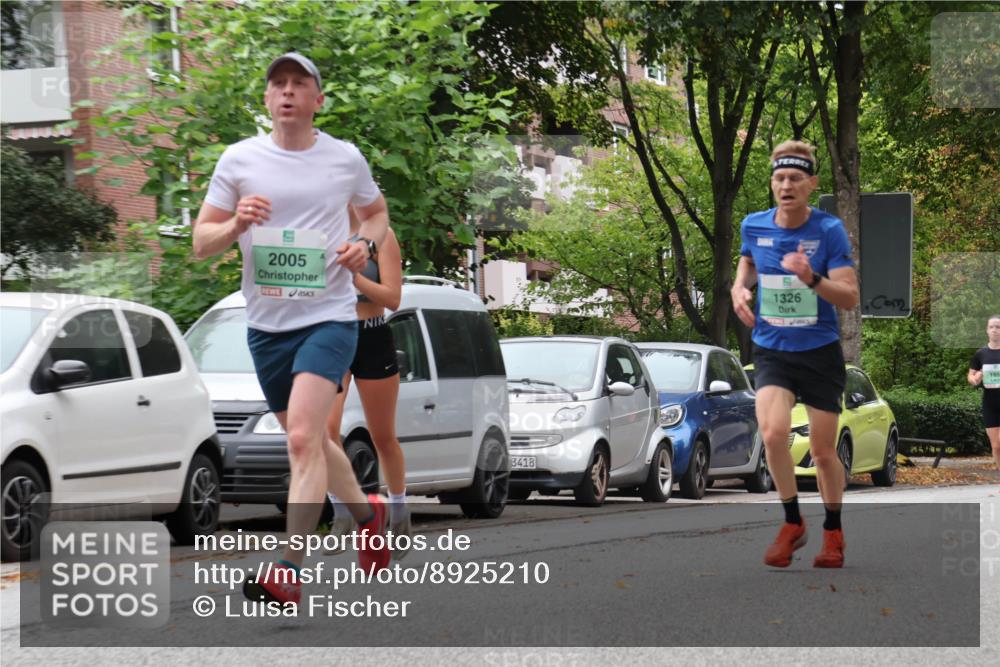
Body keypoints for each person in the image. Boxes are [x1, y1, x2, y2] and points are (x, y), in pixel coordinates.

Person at [193, 52, 392, 605]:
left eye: (298, 84)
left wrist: (364, 244)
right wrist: (237, 221)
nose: (286, 92)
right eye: (277, 83)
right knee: (314, 440)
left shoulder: (343, 159)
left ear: (316, 99)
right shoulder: (238, 160)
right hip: (266, 325)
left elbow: (376, 213)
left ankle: (288, 566)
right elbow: (201, 242)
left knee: (303, 438)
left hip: (329, 316)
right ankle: (368, 513)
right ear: (266, 99)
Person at [731, 140, 860, 568]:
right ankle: (792, 522)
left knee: (823, 453)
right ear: (772, 183)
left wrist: (812, 278)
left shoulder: (828, 231)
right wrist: (738, 288)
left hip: (820, 352)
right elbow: (748, 262)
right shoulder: (754, 225)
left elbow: (849, 297)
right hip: (772, 349)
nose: (786, 185)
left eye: (795, 179)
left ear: (811, 185)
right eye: (779, 178)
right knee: (772, 434)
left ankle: (833, 531)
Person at [326, 208, 411, 559]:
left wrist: (354, 278)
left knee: (383, 436)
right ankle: (342, 513)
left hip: (373, 336)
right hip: (333, 334)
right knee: (325, 431)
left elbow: (393, 298)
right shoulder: (322, 232)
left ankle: (400, 513)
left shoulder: (381, 235)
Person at [968, 315, 1000, 471]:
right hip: (989, 403)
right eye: (992, 327)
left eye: (998, 327)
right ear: (987, 330)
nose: (995, 330)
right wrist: (976, 379)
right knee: (996, 445)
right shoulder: (981, 354)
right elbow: (971, 376)